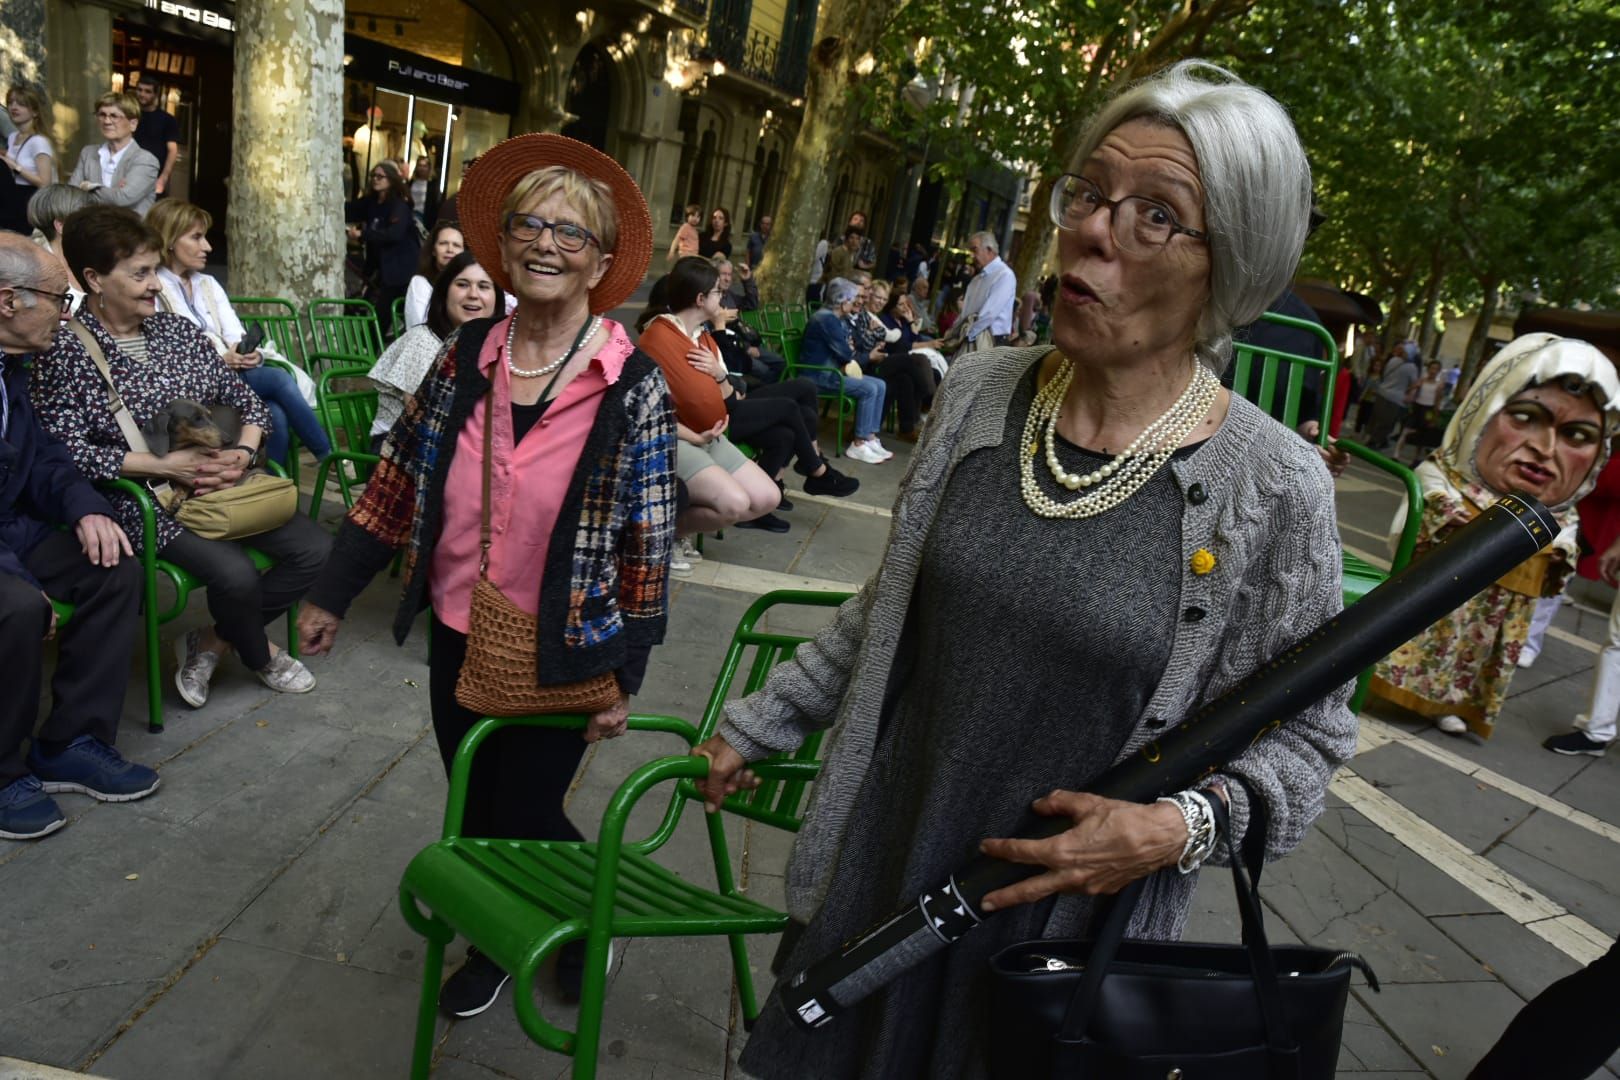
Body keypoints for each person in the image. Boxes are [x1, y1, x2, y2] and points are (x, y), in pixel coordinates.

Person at [691, 61, 1352, 1079]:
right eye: (1089, 194)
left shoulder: (1275, 487)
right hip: (879, 882)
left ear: (1229, 266)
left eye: (1155, 215)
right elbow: (890, 611)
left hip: (1054, 958)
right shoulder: (979, 393)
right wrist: (760, 723)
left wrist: (1176, 828)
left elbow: (1309, 740)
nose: (1092, 232)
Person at [296, 133, 676, 1017]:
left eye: (570, 233)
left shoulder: (633, 384)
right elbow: (396, 481)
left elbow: (648, 543)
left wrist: (626, 673)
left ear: (600, 263)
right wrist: (332, 592)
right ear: (501, 246)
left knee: (526, 810)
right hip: (458, 625)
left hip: (566, 640)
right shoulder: (464, 355)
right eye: (528, 226)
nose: (545, 244)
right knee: (472, 798)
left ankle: (578, 923)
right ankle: (502, 934)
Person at [32, 205, 329, 710]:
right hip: (144, 499)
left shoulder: (178, 332)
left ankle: (211, 641)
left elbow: (250, 404)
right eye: (140, 273)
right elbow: (64, 451)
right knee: (235, 575)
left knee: (316, 550)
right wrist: (163, 467)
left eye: (155, 270)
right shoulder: (63, 349)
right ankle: (260, 653)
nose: (155, 284)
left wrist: (242, 453)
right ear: (94, 279)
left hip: (223, 486)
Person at [1370, 334, 1618, 739]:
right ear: (1484, 410)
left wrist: (1558, 551)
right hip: (1442, 594)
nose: (1545, 449)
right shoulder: (1448, 475)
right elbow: (1429, 488)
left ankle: (1450, 705)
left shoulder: (1558, 513)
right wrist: (1447, 511)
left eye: (1577, 435)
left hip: (1497, 609)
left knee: (1473, 653)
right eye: (1525, 417)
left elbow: (1565, 538)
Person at [0, 232, 155, 841]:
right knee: (16, 606)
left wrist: (89, 510)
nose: (66, 315)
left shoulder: (12, 368)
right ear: (8, 301)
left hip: (11, 528)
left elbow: (44, 459)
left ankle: (70, 742)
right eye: (57, 299)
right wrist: (18, 577)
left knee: (114, 567)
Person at [146, 199, 333, 471]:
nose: (207, 247)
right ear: (170, 240)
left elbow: (235, 333)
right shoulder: (153, 286)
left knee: (275, 411)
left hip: (230, 375)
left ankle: (271, 481)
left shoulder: (207, 283)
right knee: (279, 379)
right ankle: (327, 457)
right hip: (191, 381)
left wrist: (247, 354)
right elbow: (166, 350)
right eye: (196, 237)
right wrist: (220, 360)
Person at [636, 256, 785, 533]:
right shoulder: (658, 338)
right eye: (718, 291)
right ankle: (669, 537)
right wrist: (694, 437)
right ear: (700, 299)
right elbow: (646, 414)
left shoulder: (703, 337)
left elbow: (731, 400)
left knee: (768, 497)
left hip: (712, 437)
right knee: (735, 503)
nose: (722, 296)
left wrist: (718, 374)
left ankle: (671, 529)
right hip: (677, 440)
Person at [370, 250, 505, 448]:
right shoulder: (423, 341)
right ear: (444, 292)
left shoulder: (493, 345)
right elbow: (424, 421)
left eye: (484, 286)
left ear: (497, 299)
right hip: (401, 448)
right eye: (462, 284)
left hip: (461, 446)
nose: (473, 294)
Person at [799, 278, 889, 464]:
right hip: (820, 376)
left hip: (832, 372)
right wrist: (848, 348)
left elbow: (849, 349)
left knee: (880, 384)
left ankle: (870, 437)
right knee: (869, 389)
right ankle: (858, 443)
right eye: (852, 298)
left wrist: (849, 348)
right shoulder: (827, 320)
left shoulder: (835, 319)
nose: (856, 302)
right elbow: (847, 354)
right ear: (843, 301)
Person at [345, 160, 420, 319]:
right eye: (373, 175)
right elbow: (348, 211)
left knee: (385, 313)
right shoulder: (371, 202)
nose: (375, 179)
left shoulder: (398, 205)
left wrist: (362, 234)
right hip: (380, 267)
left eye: (380, 176)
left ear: (391, 180)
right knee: (369, 306)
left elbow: (394, 234)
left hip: (398, 268)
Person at [67, 93, 159, 217]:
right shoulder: (88, 152)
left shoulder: (146, 160)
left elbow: (122, 199)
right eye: (102, 114)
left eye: (114, 116)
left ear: (133, 124)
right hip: (88, 226)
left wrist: (86, 186)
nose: (106, 121)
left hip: (126, 228)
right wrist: (112, 192)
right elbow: (71, 194)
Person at [876, 284, 942, 437]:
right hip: (889, 359)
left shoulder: (903, 321)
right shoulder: (885, 320)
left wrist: (911, 321)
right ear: (892, 306)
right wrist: (927, 344)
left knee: (927, 375)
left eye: (906, 303)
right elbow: (901, 345)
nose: (905, 307)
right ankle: (930, 397)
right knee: (919, 360)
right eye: (900, 304)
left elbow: (914, 339)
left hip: (904, 363)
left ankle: (907, 428)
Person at [943, 230, 1016, 355]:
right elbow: (965, 313)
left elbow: (989, 314)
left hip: (990, 342)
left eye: (974, 250)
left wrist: (967, 336)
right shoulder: (976, 280)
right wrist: (953, 334)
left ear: (989, 250)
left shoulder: (1005, 275)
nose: (971, 256)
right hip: (970, 338)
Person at [25, 184, 94, 312]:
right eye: (87, 220)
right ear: (61, 226)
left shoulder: (93, 258)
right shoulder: (37, 276)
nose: (95, 226)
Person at [2, 86, 56, 234]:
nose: (14, 107)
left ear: (35, 112)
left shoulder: (39, 141)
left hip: (29, 201)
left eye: (21, 104)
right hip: (12, 198)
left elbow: (45, 183)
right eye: (11, 102)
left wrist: (15, 167)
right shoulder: (13, 137)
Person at [404, 221, 464, 330]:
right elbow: (420, 326)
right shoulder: (420, 283)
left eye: (456, 245)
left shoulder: (471, 285)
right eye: (443, 243)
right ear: (433, 250)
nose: (450, 249)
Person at [131, 76, 180, 199]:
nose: (142, 94)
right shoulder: (129, 115)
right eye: (139, 90)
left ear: (156, 94)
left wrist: (164, 177)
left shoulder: (167, 119)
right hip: (129, 173)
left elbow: (172, 150)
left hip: (154, 176)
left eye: (147, 91)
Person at [1367, 344, 1419, 448]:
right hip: (1396, 398)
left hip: (1382, 392)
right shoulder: (1412, 368)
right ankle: (1375, 441)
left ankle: (1375, 439)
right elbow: (1414, 383)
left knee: (1377, 418)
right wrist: (1410, 393)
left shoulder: (1393, 360)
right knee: (1387, 421)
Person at [667, 202, 701, 267]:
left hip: (693, 257)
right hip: (686, 255)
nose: (695, 218)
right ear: (687, 216)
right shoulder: (686, 227)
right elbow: (677, 239)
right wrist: (672, 251)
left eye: (698, 216)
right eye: (693, 216)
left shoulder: (694, 230)